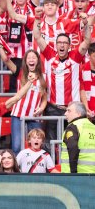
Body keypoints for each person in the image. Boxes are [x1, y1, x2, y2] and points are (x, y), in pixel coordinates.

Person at [33, 8, 92, 153]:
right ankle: (53, 169)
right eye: (59, 42)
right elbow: (37, 37)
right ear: (55, 44)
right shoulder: (49, 54)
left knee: (74, 143)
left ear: (69, 45)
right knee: (51, 143)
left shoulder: (76, 56)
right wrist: (37, 19)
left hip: (73, 109)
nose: (62, 45)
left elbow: (87, 40)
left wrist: (85, 24)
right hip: (53, 108)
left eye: (65, 43)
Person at [0, 46, 47, 155]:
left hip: (35, 116)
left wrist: (41, 108)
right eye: (29, 58)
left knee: (37, 146)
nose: (31, 60)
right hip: (18, 114)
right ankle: (18, 170)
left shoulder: (43, 77)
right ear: (25, 61)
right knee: (16, 146)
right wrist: (0, 45)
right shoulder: (20, 72)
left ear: (38, 61)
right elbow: (6, 60)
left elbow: (44, 98)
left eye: (34, 57)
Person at [61, 101, 95, 173]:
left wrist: (73, 174)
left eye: (69, 111)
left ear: (78, 114)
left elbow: (73, 148)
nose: (65, 113)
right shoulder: (93, 127)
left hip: (77, 176)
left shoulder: (73, 126)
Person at [80, 43, 95, 121]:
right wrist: (86, 108)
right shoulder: (82, 69)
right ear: (89, 56)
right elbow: (80, 90)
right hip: (84, 112)